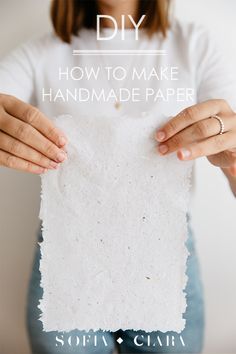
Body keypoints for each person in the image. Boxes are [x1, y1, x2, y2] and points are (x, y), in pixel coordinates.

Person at [0, 0, 236, 353]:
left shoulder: (195, 44)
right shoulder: (40, 52)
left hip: (165, 257)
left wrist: (232, 157)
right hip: (69, 257)